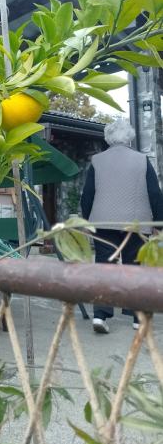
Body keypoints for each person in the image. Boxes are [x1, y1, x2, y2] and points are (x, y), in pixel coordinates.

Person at [80, 118, 163, 334]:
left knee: (104, 266)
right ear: (129, 138)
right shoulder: (142, 160)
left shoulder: (97, 161)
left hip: (103, 222)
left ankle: (100, 315)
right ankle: (137, 318)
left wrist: (87, 220)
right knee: (134, 266)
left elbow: (87, 195)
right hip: (136, 223)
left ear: (108, 139)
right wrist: (159, 223)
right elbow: (155, 193)